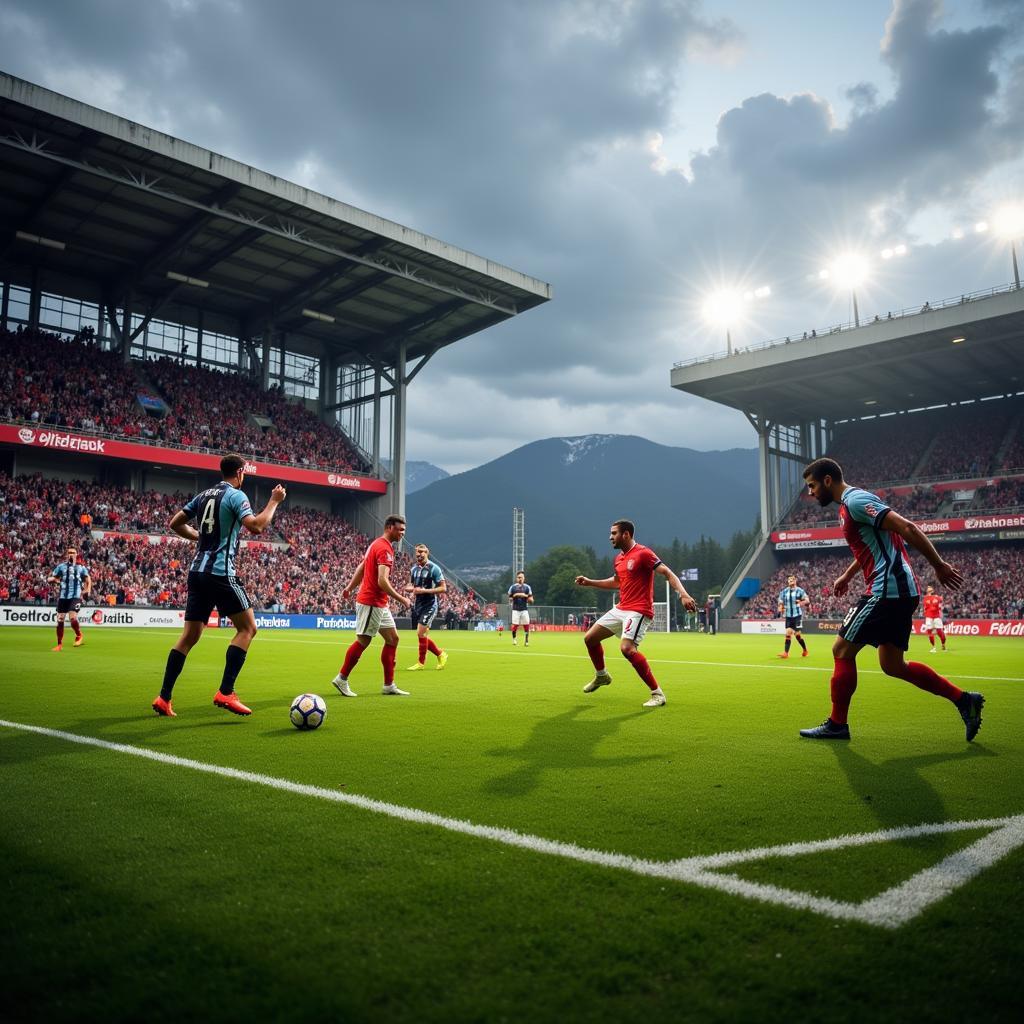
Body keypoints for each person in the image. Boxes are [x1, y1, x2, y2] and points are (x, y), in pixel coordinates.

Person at [798, 458, 983, 741]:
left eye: (812, 486)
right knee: (893, 666)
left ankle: (837, 724)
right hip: (899, 591)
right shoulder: (851, 507)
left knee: (841, 650)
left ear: (827, 480)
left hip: (886, 590)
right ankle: (964, 700)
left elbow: (906, 527)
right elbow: (871, 545)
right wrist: (848, 575)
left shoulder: (856, 501)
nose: (810, 493)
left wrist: (939, 564)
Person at [151, 453, 286, 718]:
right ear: (239, 473)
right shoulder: (236, 495)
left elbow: (174, 523)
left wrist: (198, 538)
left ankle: (164, 697)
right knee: (248, 628)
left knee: (189, 637)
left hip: (197, 572)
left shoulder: (203, 495)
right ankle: (226, 691)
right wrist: (274, 501)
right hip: (220, 573)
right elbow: (257, 526)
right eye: (244, 472)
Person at [574, 520, 697, 707]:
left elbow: (667, 572)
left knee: (627, 649)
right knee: (590, 638)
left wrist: (684, 594)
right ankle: (602, 676)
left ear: (626, 534)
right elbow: (617, 582)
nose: (610, 537)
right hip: (622, 608)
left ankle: (658, 694)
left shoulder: (643, 554)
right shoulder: (619, 559)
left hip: (639, 610)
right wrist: (590, 582)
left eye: (614, 533)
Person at [331, 514, 413, 697]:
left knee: (393, 639)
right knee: (363, 640)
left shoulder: (375, 544)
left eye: (404, 531)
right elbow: (382, 581)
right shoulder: (385, 549)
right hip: (371, 602)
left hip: (379, 603)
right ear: (389, 527)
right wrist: (402, 599)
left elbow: (362, 567)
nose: (402, 534)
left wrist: (350, 587)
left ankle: (388, 685)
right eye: (400, 530)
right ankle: (341, 679)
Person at [404, 542, 449, 671]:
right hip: (418, 605)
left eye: (422, 551)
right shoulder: (414, 569)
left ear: (427, 552)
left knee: (420, 633)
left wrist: (424, 591)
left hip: (430, 604)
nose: (420, 554)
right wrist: (410, 588)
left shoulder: (434, 568)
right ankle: (441, 654)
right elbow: (408, 585)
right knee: (422, 634)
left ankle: (421, 663)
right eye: (418, 551)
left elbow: (443, 588)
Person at [47, 545, 91, 651]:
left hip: (75, 596)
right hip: (63, 597)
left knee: (72, 618)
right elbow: (51, 578)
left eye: (73, 552)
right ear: (67, 555)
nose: (71, 554)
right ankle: (59, 644)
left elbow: (88, 579)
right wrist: (53, 580)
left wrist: (86, 590)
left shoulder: (81, 567)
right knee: (60, 620)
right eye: (69, 552)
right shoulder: (61, 567)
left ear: (76, 555)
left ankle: (79, 635)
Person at [777, 574, 810, 659]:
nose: (790, 581)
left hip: (797, 616)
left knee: (797, 635)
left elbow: (807, 600)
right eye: (788, 580)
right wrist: (780, 607)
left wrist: (801, 602)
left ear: (795, 581)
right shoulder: (784, 591)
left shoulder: (800, 591)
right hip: (788, 616)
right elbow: (780, 600)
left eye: (792, 579)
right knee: (788, 633)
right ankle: (785, 653)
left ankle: (805, 650)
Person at [507, 571, 534, 646]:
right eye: (519, 577)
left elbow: (531, 598)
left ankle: (526, 640)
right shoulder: (512, 587)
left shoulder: (527, 587)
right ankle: (514, 639)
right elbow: (509, 598)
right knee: (515, 625)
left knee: (526, 625)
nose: (520, 579)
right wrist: (514, 596)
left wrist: (525, 596)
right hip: (515, 609)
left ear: (524, 578)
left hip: (524, 609)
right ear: (516, 578)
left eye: (521, 577)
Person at [922, 584, 947, 653]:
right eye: (928, 589)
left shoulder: (936, 598)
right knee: (930, 632)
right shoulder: (926, 598)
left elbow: (939, 606)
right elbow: (926, 608)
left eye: (930, 589)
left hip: (936, 617)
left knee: (940, 632)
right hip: (929, 617)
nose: (929, 590)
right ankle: (933, 648)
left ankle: (943, 645)